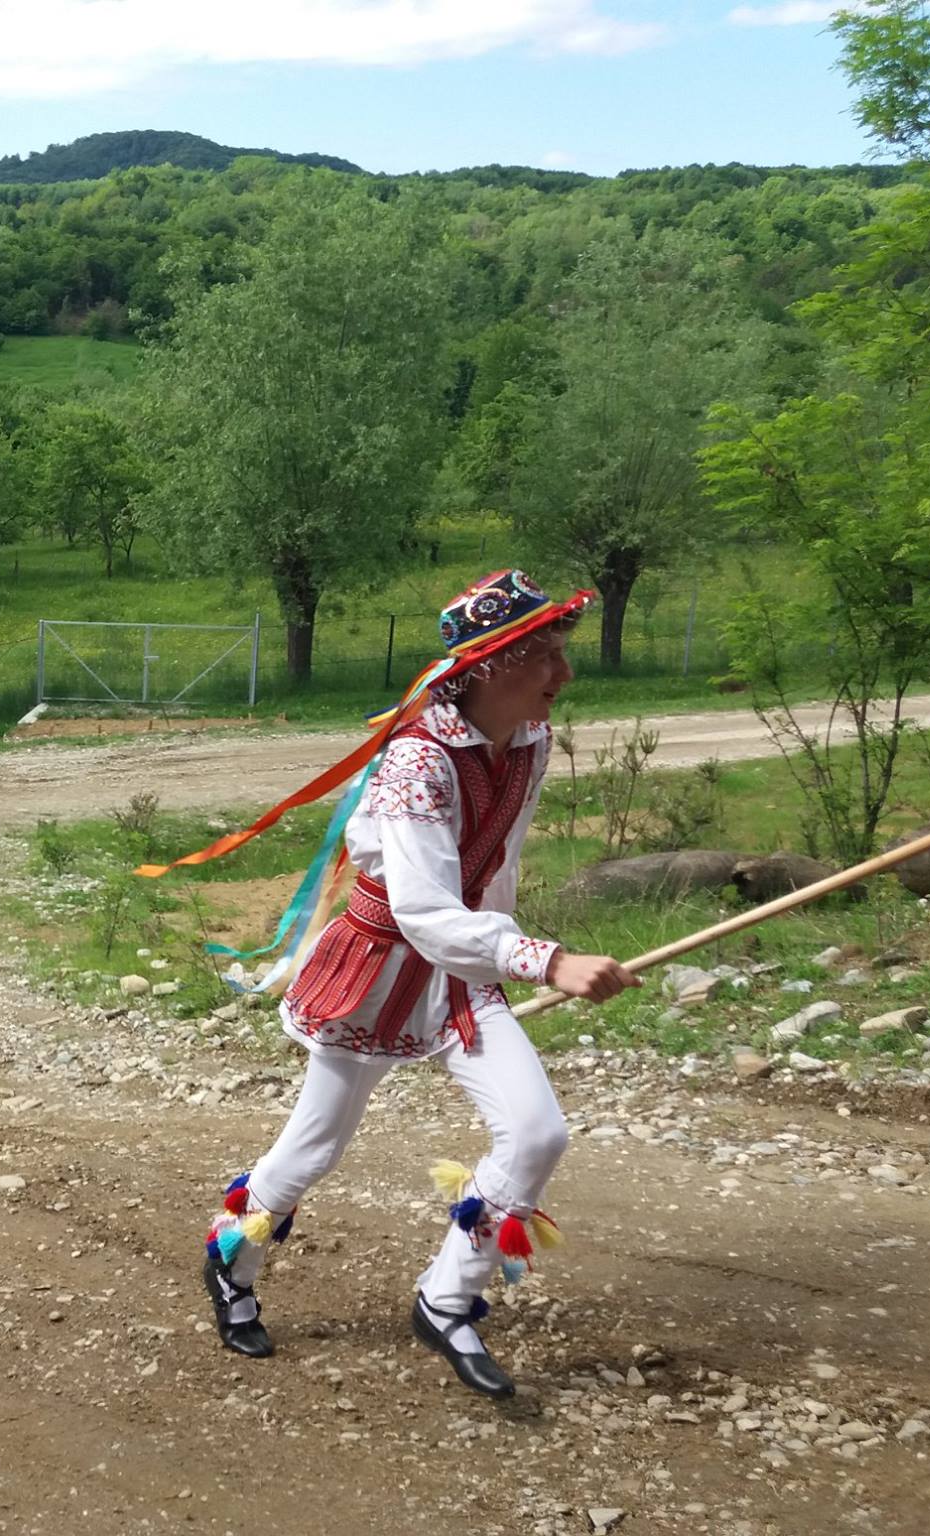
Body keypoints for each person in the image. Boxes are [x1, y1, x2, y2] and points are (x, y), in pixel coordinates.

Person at [196, 570, 639, 1399]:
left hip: (466, 972)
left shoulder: (532, 743)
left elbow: (496, 867)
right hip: (378, 969)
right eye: (545, 655)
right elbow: (425, 912)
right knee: (315, 1147)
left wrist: (504, 959)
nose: (564, 675)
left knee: (538, 1135)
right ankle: (231, 1263)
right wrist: (545, 960)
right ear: (489, 669)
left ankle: (447, 1299)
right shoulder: (416, 762)